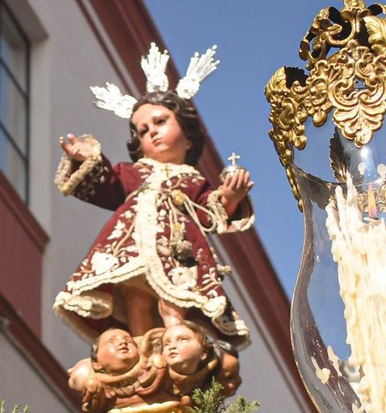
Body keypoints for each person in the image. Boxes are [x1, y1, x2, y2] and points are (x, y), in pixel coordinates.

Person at [55, 88, 254, 348]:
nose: (152, 132)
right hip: (130, 248)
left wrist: (230, 197)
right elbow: (108, 185)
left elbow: (208, 214)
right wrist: (88, 159)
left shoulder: (192, 181)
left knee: (173, 300)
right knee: (135, 297)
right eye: (143, 131)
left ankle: (177, 341)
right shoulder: (134, 173)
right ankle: (142, 349)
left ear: (189, 138)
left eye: (160, 122)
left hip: (176, 250)